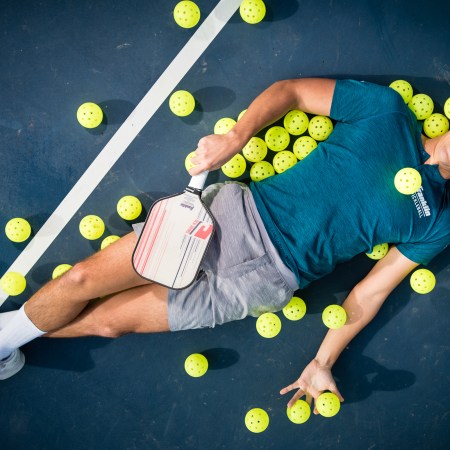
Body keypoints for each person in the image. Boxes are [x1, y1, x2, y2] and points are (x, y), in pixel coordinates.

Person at [0, 78, 449, 415]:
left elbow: (371, 291)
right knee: (81, 279)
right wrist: (237, 138)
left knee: (108, 324)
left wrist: (321, 360)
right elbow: (291, 92)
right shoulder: (388, 112)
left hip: (265, 284)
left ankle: (9, 338)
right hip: (228, 220)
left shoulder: (439, 220)